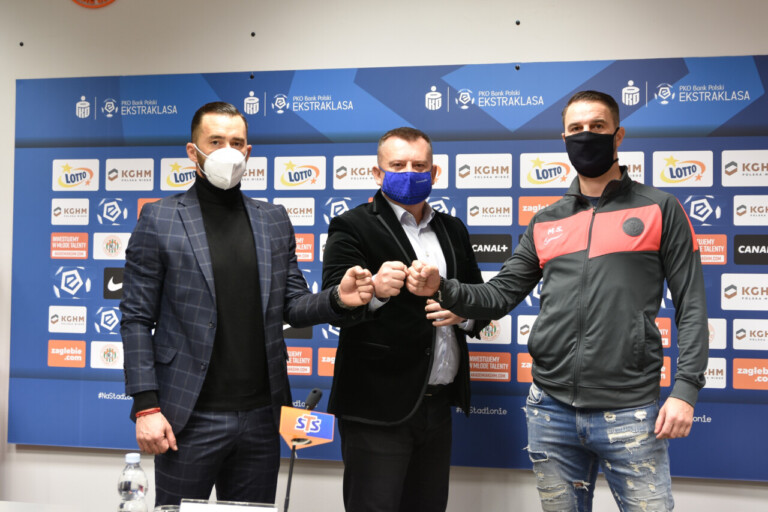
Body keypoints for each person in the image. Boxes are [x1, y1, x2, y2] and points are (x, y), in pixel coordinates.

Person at [407, 91, 708, 511]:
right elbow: (500, 294)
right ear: (564, 138)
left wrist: (686, 390)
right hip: (550, 410)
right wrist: (443, 286)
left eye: (597, 127)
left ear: (618, 135)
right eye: (576, 129)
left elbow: (692, 306)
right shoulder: (547, 220)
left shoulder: (660, 208)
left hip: (630, 409)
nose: (587, 136)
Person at [120, 101, 373, 507]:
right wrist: (146, 406)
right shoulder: (159, 218)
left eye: (236, 143)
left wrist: (338, 299)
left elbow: (293, 304)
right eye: (215, 141)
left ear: (248, 152)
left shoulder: (273, 219)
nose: (228, 151)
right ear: (193, 151)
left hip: (261, 417)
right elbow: (135, 318)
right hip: (187, 415)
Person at [321, 127, 491, 512]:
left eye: (419, 165)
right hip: (375, 408)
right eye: (398, 165)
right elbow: (333, 304)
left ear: (435, 173)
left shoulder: (453, 229)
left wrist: (462, 312)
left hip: (438, 406)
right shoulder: (352, 225)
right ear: (377, 173)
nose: (410, 173)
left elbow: (481, 301)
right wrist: (376, 291)